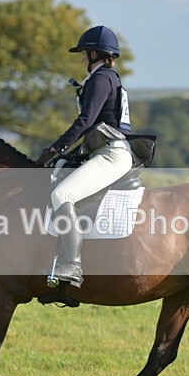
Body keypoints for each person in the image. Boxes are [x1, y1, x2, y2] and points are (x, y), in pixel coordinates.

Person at [35, 25, 135, 290]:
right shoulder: (106, 77)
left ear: (94, 53)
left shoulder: (102, 78)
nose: (81, 58)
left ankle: (72, 266)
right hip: (103, 150)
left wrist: (56, 149)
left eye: (83, 53)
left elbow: (85, 121)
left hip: (110, 154)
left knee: (61, 195)